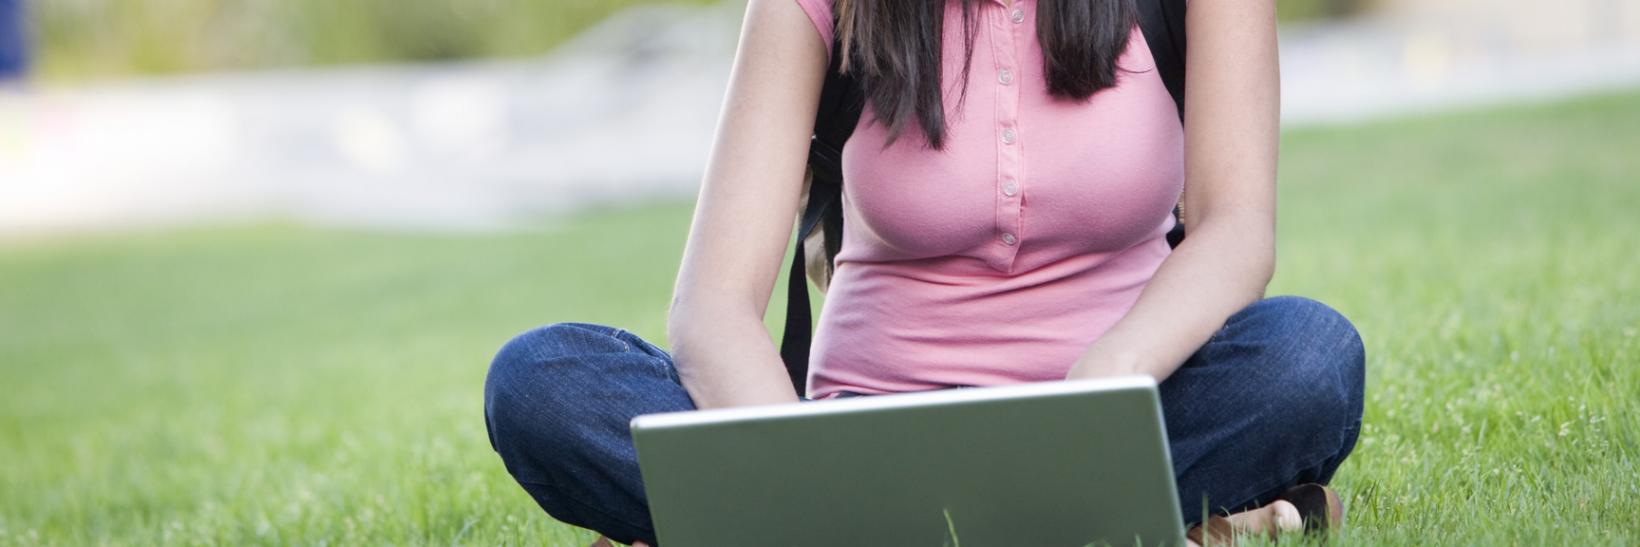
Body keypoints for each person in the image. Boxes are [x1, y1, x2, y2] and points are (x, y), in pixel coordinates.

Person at [483, 0, 1365, 545]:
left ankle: (813, 538)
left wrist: (1102, 385)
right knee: (543, 381)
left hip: (1119, 412)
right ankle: (1152, 524)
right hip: (863, 435)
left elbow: (1238, 227)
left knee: (1308, 357)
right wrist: (806, 464)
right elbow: (713, 304)